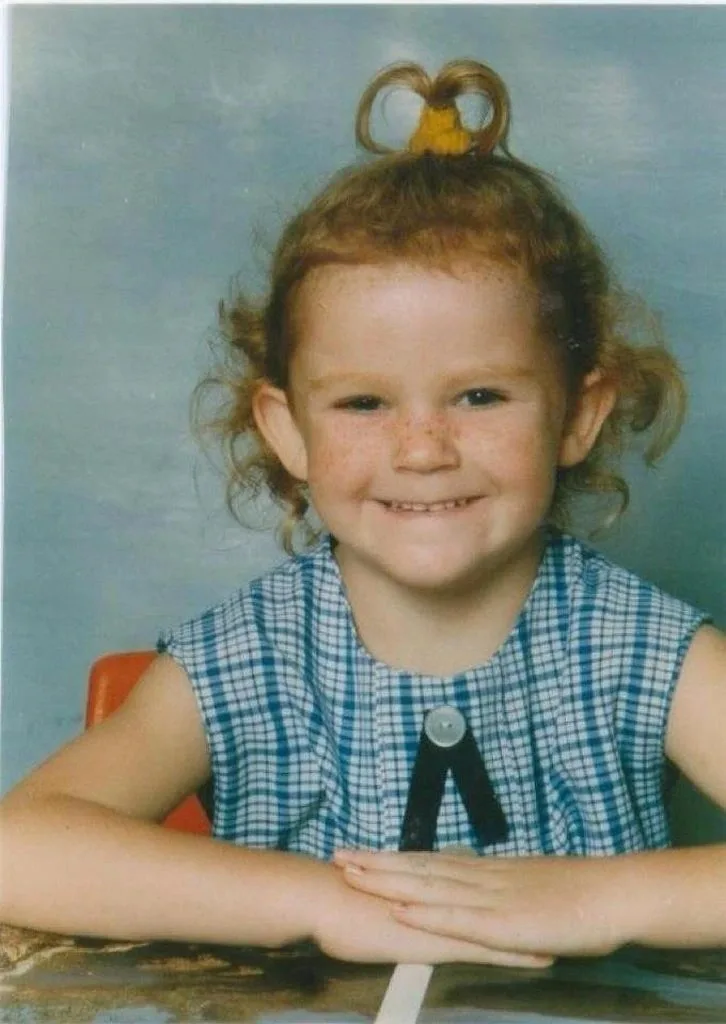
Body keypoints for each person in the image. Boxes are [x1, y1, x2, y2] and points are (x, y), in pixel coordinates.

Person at [2, 58, 725, 967]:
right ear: (288, 431)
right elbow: (17, 847)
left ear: (579, 414)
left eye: (480, 396)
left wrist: (602, 898)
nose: (422, 449)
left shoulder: (639, 647)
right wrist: (323, 905)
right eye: (363, 405)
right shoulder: (249, 657)